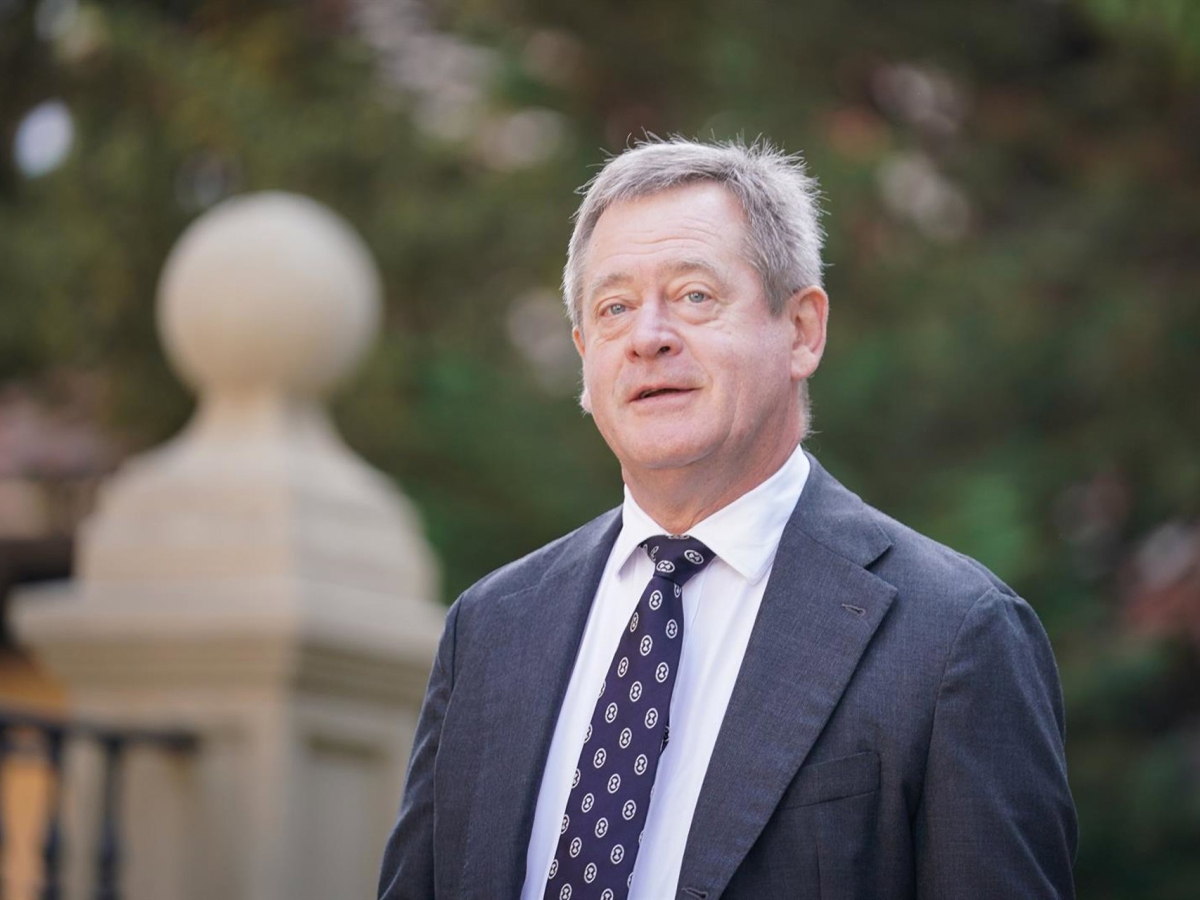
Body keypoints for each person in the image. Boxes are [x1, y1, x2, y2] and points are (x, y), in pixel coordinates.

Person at [377, 137, 1077, 900]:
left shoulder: (954, 634)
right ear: (584, 353)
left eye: (694, 296)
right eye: (614, 309)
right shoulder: (491, 627)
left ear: (802, 330)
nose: (648, 337)